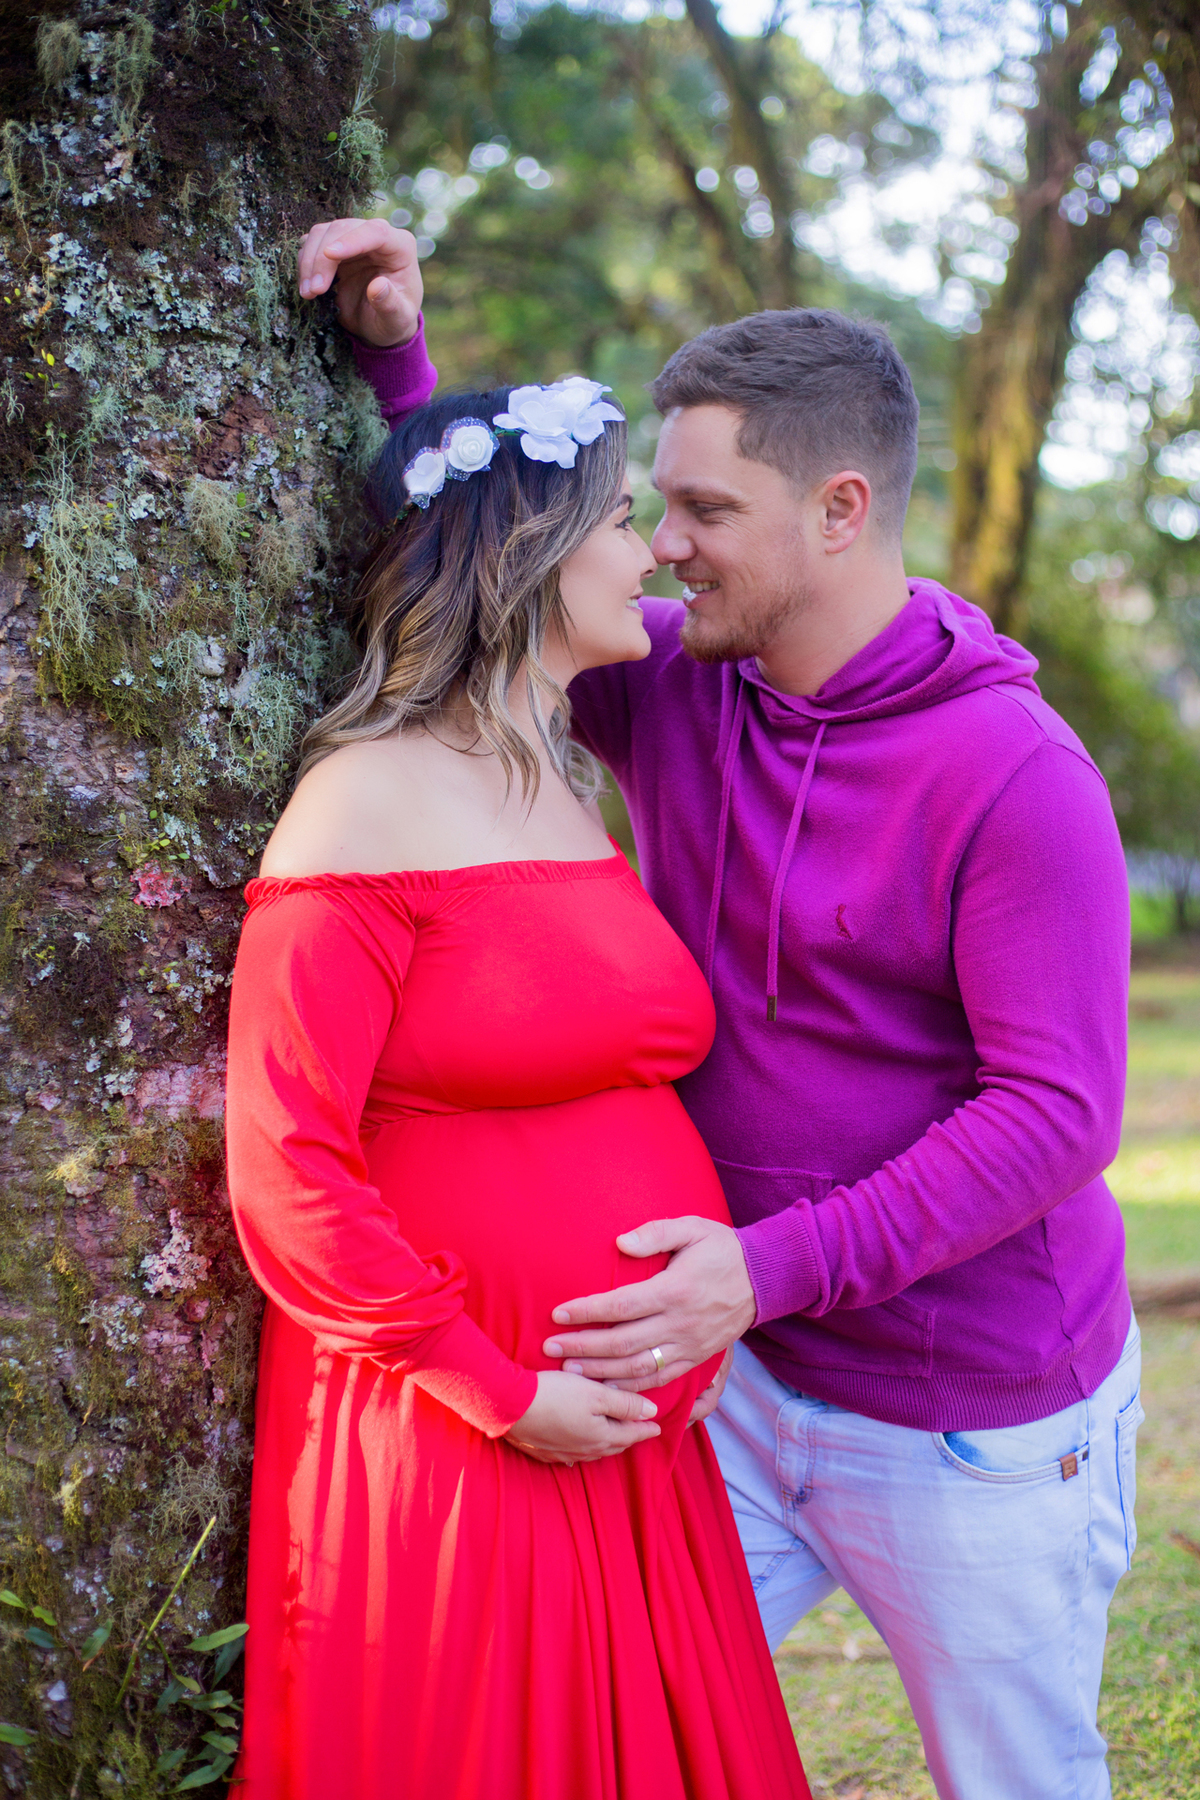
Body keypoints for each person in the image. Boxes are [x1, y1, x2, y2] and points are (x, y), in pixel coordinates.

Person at [303, 218, 1145, 1800]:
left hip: (967, 1417)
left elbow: (1056, 1116)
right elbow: (511, 569)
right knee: (603, 1738)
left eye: (704, 510)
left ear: (840, 510)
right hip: (731, 1396)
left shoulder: (1017, 777)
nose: (666, 547)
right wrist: (398, 360)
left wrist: (764, 1272)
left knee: (1018, 1779)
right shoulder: (678, 680)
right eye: (660, 507)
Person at [224, 341, 811, 1799]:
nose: (652, 553)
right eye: (620, 520)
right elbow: (286, 1170)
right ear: (531, 552)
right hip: (460, 1417)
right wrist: (493, 1388)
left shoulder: (562, 777)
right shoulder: (362, 800)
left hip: (622, 1429)